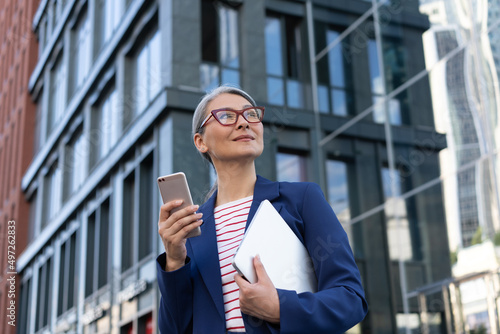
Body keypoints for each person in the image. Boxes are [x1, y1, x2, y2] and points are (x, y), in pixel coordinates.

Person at [156, 85, 368, 333]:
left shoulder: (301, 200)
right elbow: (175, 329)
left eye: (251, 114)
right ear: (200, 141)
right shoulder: (192, 229)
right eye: (226, 116)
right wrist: (173, 260)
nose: (244, 123)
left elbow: (350, 298)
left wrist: (280, 307)